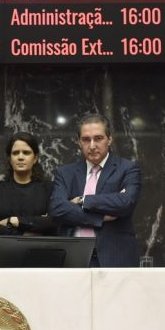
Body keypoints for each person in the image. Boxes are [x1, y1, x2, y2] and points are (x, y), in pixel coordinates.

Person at [49, 113, 141, 267]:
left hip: (115, 256)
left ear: (109, 139)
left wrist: (83, 200)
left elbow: (126, 203)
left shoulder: (127, 169)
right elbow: (57, 209)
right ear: (79, 142)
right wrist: (100, 217)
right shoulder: (65, 173)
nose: (92, 146)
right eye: (86, 139)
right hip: (73, 257)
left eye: (98, 138)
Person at [0, 131, 56, 236]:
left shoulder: (49, 189)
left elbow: (53, 222)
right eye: (15, 153)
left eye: (26, 152)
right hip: (5, 246)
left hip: (41, 246)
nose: (20, 157)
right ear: (10, 159)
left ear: (35, 158)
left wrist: (13, 221)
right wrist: (25, 233)